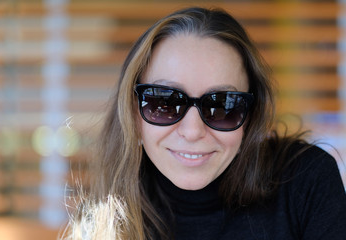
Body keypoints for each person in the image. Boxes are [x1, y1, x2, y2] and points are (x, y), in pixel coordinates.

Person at [61, 7, 346, 240]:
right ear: (134, 113)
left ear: (251, 116)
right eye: (165, 103)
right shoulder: (101, 226)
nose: (193, 131)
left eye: (222, 105)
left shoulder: (306, 183)